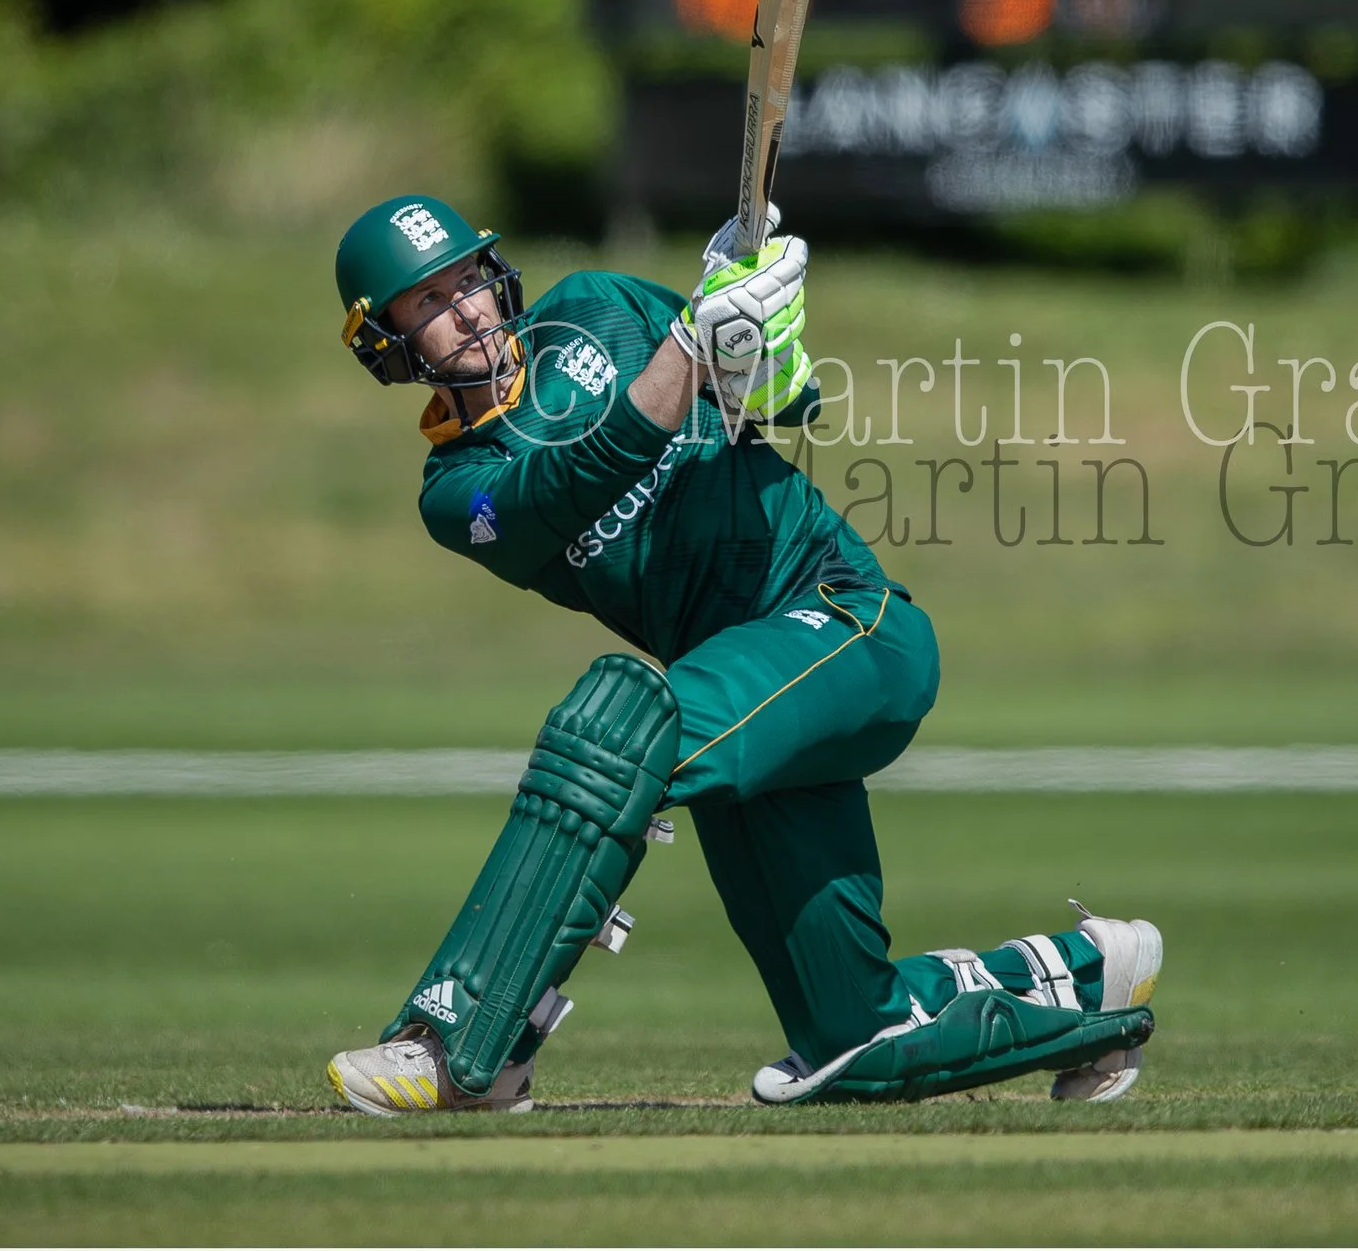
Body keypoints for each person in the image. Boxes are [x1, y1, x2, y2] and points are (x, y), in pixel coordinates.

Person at [321, 194, 1160, 1114]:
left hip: (844, 625)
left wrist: (754, 335)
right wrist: (690, 342)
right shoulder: (458, 494)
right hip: (744, 696)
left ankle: (464, 1041)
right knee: (851, 1041)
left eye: (469, 279)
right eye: (429, 301)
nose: (468, 308)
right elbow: (573, 478)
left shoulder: (598, 305)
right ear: (385, 343)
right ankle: (1088, 976)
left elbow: (783, 402)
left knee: (618, 734)